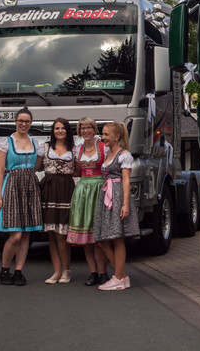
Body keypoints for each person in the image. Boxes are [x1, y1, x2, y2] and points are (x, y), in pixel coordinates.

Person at [0, 107, 43, 286]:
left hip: (30, 186)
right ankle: (5, 269)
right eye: (21, 121)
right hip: (12, 185)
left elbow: (37, 167)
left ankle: (19, 271)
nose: (23, 124)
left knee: (26, 234)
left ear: (31, 123)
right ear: (15, 122)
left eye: (27, 121)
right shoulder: (5, 142)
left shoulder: (36, 143)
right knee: (14, 235)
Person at [94, 122, 139, 291]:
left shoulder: (124, 154)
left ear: (117, 137)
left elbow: (126, 180)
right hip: (107, 194)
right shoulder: (108, 153)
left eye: (106, 134)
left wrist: (125, 204)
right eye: (103, 134)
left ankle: (119, 277)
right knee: (103, 239)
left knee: (117, 238)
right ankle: (122, 275)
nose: (103, 137)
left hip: (118, 195)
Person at [66, 117, 110, 286]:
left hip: (99, 188)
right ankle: (93, 273)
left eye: (88, 128)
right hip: (83, 190)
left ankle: (103, 272)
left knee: (98, 237)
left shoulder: (103, 147)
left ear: (94, 129)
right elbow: (77, 171)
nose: (85, 131)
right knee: (86, 237)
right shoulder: (78, 148)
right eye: (82, 128)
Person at [36, 117, 76, 284]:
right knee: (52, 234)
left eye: (63, 128)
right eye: (57, 128)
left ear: (67, 131)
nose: (60, 131)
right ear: (53, 131)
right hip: (50, 190)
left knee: (62, 233)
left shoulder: (74, 149)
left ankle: (66, 270)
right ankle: (56, 271)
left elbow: (78, 170)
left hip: (66, 190)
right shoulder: (45, 148)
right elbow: (36, 167)